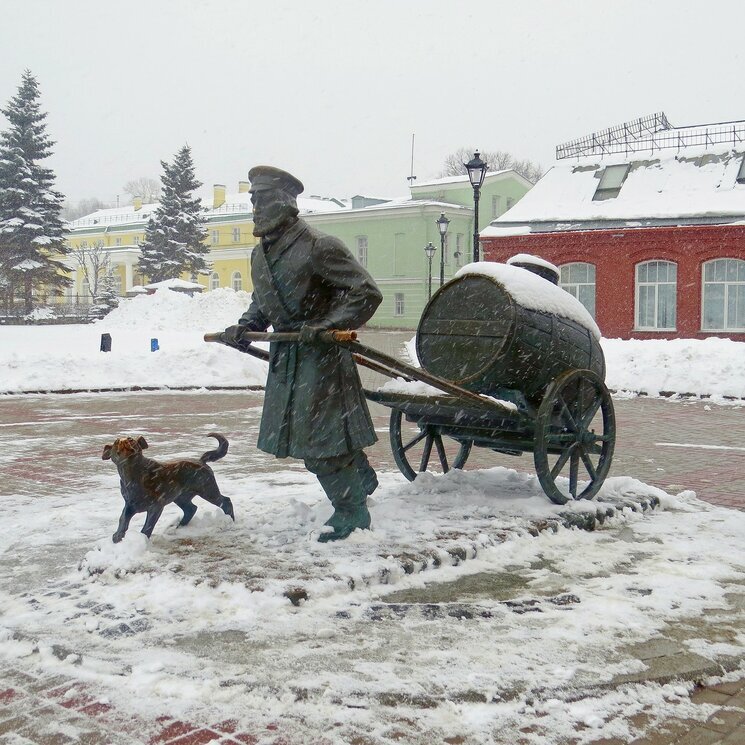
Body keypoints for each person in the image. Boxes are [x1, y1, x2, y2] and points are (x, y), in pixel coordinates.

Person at [221, 166, 383, 542]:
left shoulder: (318, 246)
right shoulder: (259, 255)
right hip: (288, 356)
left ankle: (352, 512)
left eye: (260, 199)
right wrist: (244, 326)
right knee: (306, 434)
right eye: (252, 200)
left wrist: (327, 324)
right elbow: (262, 299)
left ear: (283, 203)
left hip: (321, 358)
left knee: (319, 440)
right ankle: (360, 477)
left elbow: (365, 292)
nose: (254, 208)